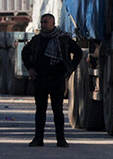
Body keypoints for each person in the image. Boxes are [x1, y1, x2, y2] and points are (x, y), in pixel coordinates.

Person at [21, 13, 82, 148]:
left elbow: (78, 52)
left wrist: (70, 68)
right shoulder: (37, 40)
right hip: (40, 79)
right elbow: (25, 53)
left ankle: (61, 139)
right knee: (40, 110)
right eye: (42, 22)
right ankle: (38, 139)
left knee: (58, 110)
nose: (43, 25)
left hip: (56, 78)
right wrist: (30, 68)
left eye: (46, 22)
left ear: (53, 24)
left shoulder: (62, 39)